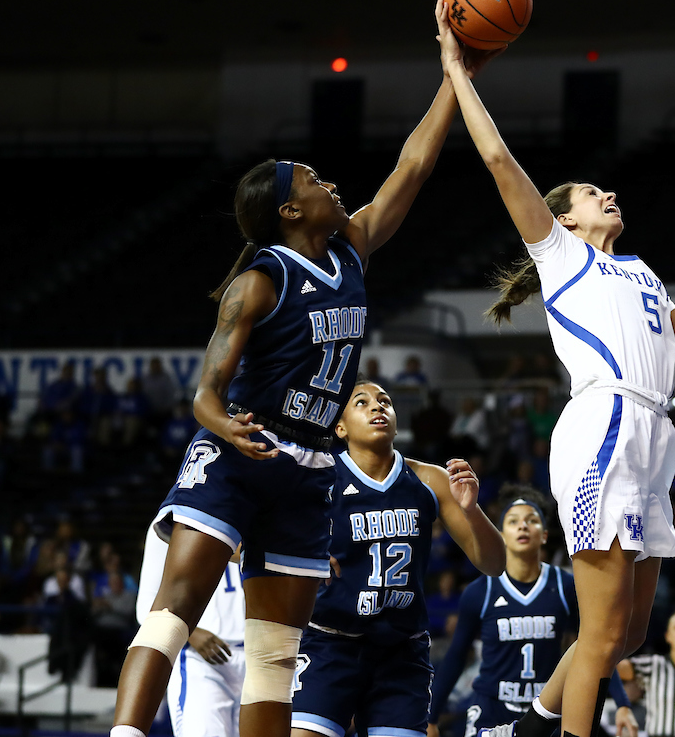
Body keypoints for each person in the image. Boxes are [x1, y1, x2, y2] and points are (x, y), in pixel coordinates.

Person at [435, 0, 675, 737]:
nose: (607, 193)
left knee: (629, 634)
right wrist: (458, 70)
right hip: (602, 426)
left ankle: (535, 721)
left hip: (653, 434)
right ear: (567, 218)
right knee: (599, 628)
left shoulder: (644, 275)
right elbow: (495, 157)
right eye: (592, 193)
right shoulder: (561, 256)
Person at [111, 49, 486, 737]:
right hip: (243, 453)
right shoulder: (258, 281)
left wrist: (454, 77)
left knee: (276, 657)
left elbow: (413, 168)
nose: (330, 183)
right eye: (314, 180)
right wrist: (225, 431)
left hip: (310, 469)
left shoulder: (350, 253)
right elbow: (205, 394)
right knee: (175, 609)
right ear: (289, 208)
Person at [290, 381, 506, 737]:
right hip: (330, 642)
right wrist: (302, 555)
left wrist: (472, 511)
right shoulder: (318, 477)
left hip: (401, 652)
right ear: (340, 427)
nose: (377, 407)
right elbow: (246, 544)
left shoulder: (430, 480)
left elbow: (494, 564)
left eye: (384, 401)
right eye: (362, 403)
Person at [428, 486, 637, 737]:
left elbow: (592, 646)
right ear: (501, 535)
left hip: (547, 708)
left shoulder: (565, 585)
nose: (523, 526)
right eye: (513, 521)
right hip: (493, 707)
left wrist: (622, 704)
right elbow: (456, 656)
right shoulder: (480, 590)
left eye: (532, 520)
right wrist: (432, 718)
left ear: (545, 535)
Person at [137, 522, 245, 737]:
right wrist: (191, 632)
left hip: (261, 654)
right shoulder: (169, 520)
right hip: (201, 662)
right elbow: (145, 607)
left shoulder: (264, 511)